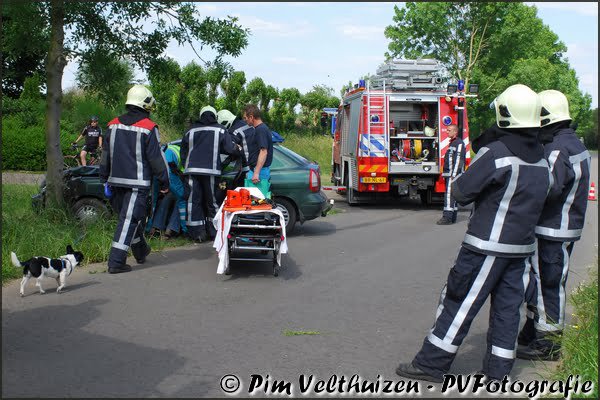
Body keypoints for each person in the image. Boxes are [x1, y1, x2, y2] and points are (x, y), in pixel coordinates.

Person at [395, 84, 551, 383]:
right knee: (508, 312)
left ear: (504, 114)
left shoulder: (495, 153)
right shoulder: (542, 159)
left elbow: (461, 191)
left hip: (484, 248)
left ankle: (431, 364)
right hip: (520, 252)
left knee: (459, 302)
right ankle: (497, 373)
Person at [516, 90, 591, 361]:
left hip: (551, 229)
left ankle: (547, 344)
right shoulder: (574, 144)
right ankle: (534, 329)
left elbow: (549, 188)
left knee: (547, 283)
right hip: (564, 228)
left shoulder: (557, 148)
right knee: (547, 280)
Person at [99, 84, 169, 274]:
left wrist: (103, 177)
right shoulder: (149, 128)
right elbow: (156, 159)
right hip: (137, 185)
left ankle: (141, 250)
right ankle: (116, 262)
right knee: (129, 220)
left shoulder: (112, 125)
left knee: (130, 218)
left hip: (115, 182)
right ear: (146, 104)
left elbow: (105, 155)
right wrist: (164, 182)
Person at [181, 106, 241, 242]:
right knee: (212, 201)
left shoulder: (190, 130)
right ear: (215, 116)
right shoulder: (220, 129)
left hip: (191, 171)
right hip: (211, 171)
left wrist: (185, 166)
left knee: (193, 201)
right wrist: (238, 149)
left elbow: (183, 151)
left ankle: (197, 233)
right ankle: (214, 231)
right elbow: (229, 148)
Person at [147, 143, 188, 239]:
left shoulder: (170, 148)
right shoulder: (185, 155)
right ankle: (184, 230)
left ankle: (151, 229)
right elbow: (183, 174)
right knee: (183, 197)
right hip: (168, 167)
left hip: (154, 167)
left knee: (153, 201)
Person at [242, 104, 273, 196]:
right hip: (257, 170)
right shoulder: (260, 129)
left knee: (258, 201)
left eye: (245, 118)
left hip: (260, 172)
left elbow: (263, 152)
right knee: (254, 201)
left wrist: (256, 173)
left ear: (251, 117)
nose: (245, 120)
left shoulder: (261, 130)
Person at [437, 124, 465, 225]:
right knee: (452, 195)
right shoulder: (453, 143)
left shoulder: (459, 143)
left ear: (455, 132)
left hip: (452, 175)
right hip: (449, 174)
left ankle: (447, 217)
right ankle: (452, 217)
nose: (447, 132)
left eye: (449, 130)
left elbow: (459, 160)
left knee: (449, 195)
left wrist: (454, 174)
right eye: (447, 130)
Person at [217, 108, 256, 178]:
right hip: (257, 166)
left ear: (225, 122)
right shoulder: (246, 124)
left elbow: (230, 149)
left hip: (247, 168)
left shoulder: (234, 131)